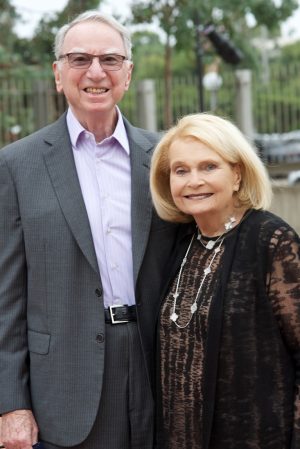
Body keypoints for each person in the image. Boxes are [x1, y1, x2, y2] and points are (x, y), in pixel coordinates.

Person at [0, 10, 182, 449]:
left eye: (110, 60)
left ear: (129, 72)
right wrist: (11, 404)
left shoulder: (165, 158)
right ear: (58, 74)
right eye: (79, 59)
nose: (96, 72)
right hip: (62, 382)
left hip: (157, 368)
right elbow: (5, 297)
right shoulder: (15, 165)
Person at [150, 113, 300, 449]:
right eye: (181, 170)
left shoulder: (272, 242)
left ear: (237, 174)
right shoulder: (179, 243)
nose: (193, 181)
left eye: (208, 167)